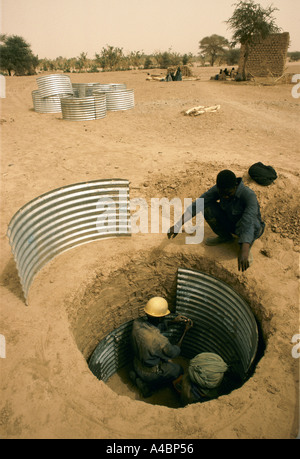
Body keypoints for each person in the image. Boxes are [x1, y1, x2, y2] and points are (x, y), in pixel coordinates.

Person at [167, 169, 265, 272]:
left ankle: (245, 245)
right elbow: (198, 204)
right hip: (232, 222)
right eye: (222, 194)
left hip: (251, 228)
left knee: (250, 221)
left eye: (228, 193)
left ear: (235, 186)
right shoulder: (219, 190)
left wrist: (244, 250)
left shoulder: (248, 195)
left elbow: (248, 223)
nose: (225, 196)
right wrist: (178, 225)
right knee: (206, 207)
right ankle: (225, 237)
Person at [130, 297, 193, 398]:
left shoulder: (136, 323)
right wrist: (185, 332)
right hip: (149, 374)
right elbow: (174, 352)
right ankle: (148, 386)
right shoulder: (159, 341)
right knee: (178, 370)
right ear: (160, 318)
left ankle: (136, 376)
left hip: (136, 364)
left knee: (156, 358)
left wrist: (173, 322)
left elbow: (152, 328)